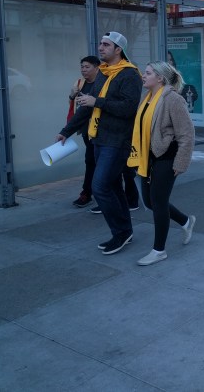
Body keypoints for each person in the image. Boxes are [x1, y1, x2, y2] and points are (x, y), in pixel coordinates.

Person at [57, 31, 142, 255]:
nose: (101, 48)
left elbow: (128, 108)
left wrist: (98, 101)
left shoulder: (129, 75)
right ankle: (125, 230)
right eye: (101, 44)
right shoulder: (104, 73)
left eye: (106, 45)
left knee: (100, 187)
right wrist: (66, 131)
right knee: (113, 187)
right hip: (99, 139)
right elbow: (87, 106)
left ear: (118, 50)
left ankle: (120, 233)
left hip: (116, 140)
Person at [128, 62, 195, 266]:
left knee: (157, 202)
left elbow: (187, 134)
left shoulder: (173, 99)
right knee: (149, 202)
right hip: (147, 158)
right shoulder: (148, 98)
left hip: (167, 158)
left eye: (148, 73)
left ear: (160, 78)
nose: (143, 76)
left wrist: (180, 163)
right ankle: (185, 221)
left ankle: (159, 250)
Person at [60, 56, 105, 208]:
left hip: (102, 129)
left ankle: (94, 194)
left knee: (99, 162)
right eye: (82, 67)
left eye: (87, 67)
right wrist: (72, 95)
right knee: (91, 160)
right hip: (87, 128)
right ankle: (88, 193)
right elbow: (74, 106)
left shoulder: (104, 82)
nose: (83, 70)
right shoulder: (80, 83)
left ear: (96, 67)